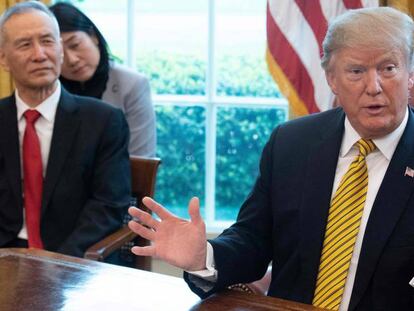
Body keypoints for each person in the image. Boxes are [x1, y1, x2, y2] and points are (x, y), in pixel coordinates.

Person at [128, 6, 414, 311]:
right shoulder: (293, 143)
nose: (374, 87)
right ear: (332, 79)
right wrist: (204, 257)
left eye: (388, 68)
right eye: (356, 71)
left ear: (410, 75)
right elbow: (253, 238)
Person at [0, 1, 131, 258]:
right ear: (3, 59)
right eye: (25, 44)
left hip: (74, 259)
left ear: (60, 50)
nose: (40, 54)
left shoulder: (104, 121)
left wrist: (57, 261)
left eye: (48, 41)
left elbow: (108, 207)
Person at [49, 2, 156, 157]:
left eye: (75, 45)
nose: (72, 60)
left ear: (93, 37)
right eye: (60, 54)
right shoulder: (47, 89)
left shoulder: (132, 85)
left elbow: (141, 161)